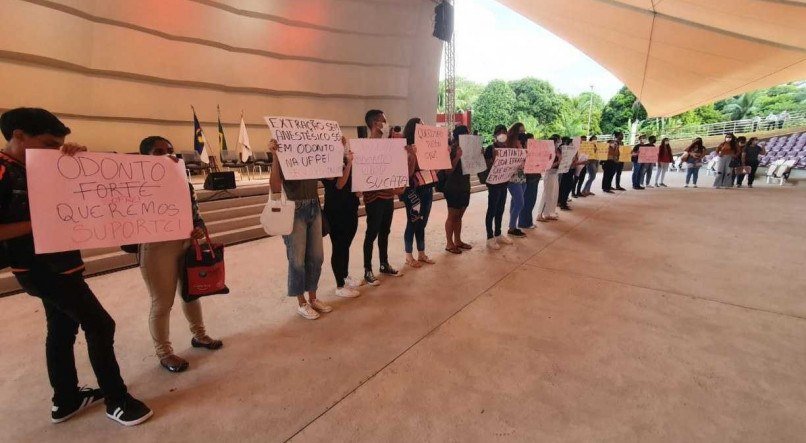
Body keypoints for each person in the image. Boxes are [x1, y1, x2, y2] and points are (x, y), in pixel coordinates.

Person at [0, 108, 152, 426]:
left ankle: (66, 400)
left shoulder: (44, 164)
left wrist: (76, 163)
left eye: (59, 145)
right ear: (18, 136)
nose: (54, 150)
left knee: (61, 327)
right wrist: (41, 221)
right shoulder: (3, 171)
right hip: (39, 270)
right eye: (48, 144)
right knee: (100, 325)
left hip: (64, 263)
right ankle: (118, 401)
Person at [138, 136, 222, 373]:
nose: (168, 155)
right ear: (144, 157)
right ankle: (164, 353)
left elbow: (195, 212)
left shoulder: (182, 182)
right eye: (159, 151)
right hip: (155, 248)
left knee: (192, 293)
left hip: (186, 242)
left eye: (171, 150)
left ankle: (200, 335)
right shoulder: (136, 185)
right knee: (162, 302)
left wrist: (199, 228)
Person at [269, 137, 329, 320]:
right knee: (297, 259)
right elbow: (274, 185)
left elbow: (331, 173)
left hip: (314, 206)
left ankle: (313, 297)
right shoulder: (285, 158)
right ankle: (301, 302)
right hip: (293, 209)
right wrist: (275, 156)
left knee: (317, 256)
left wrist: (337, 149)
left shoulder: (310, 157)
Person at [361, 109, 407, 285]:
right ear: (375, 123)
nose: (386, 124)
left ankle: (383, 263)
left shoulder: (389, 145)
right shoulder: (364, 146)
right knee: (371, 233)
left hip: (388, 195)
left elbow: (395, 167)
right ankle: (367, 269)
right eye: (383, 121)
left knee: (385, 232)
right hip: (374, 197)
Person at [322, 138, 363, 298]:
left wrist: (359, 190)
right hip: (336, 210)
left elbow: (351, 183)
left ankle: (345, 276)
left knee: (346, 244)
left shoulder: (346, 160)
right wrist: (349, 164)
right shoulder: (327, 164)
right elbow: (339, 184)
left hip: (351, 207)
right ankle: (339, 285)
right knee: (338, 246)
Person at [399, 118, 435, 267]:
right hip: (412, 191)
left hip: (427, 186)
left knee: (422, 221)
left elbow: (434, 166)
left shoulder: (427, 146)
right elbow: (406, 174)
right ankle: (409, 255)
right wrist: (413, 156)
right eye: (421, 125)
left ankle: (421, 253)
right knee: (413, 221)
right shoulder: (405, 148)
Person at [443, 125, 473, 253]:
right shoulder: (451, 149)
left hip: (465, 185)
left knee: (459, 216)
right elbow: (448, 170)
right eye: (467, 133)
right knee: (452, 215)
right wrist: (457, 157)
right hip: (453, 187)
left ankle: (458, 240)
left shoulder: (469, 148)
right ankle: (449, 243)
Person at [484, 125, 513, 249]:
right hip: (494, 184)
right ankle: (490, 237)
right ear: (495, 135)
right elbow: (488, 165)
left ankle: (498, 233)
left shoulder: (507, 148)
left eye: (504, 132)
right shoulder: (491, 148)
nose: (502, 135)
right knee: (492, 210)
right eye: (500, 132)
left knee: (500, 209)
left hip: (504, 183)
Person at [506, 123, 527, 238]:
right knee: (520, 203)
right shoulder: (510, 144)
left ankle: (512, 225)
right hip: (513, 177)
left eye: (524, 131)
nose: (522, 134)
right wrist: (519, 147)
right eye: (520, 131)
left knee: (515, 202)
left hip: (522, 176)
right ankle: (512, 227)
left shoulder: (522, 143)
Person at [537, 134, 562, 222]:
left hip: (555, 174)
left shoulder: (558, 150)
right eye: (558, 141)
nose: (559, 143)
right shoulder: (548, 152)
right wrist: (558, 161)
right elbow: (547, 166)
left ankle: (548, 213)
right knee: (546, 194)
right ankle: (539, 214)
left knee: (553, 194)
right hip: (549, 174)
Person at [518, 133, 540, 230]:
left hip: (535, 177)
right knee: (527, 201)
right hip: (528, 179)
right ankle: (524, 223)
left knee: (532, 201)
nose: (533, 142)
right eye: (531, 140)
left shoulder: (535, 151)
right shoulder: (523, 151)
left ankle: (528, 221)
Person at [557, 137, 581, 211]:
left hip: (571, 170)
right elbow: (568, 162)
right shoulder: (566, 150)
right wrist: (579, 162)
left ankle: (562, 202)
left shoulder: (575, 151)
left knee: (567, 186)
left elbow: (575, 161)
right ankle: (562, 203)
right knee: (565, 187)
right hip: (566, 171)